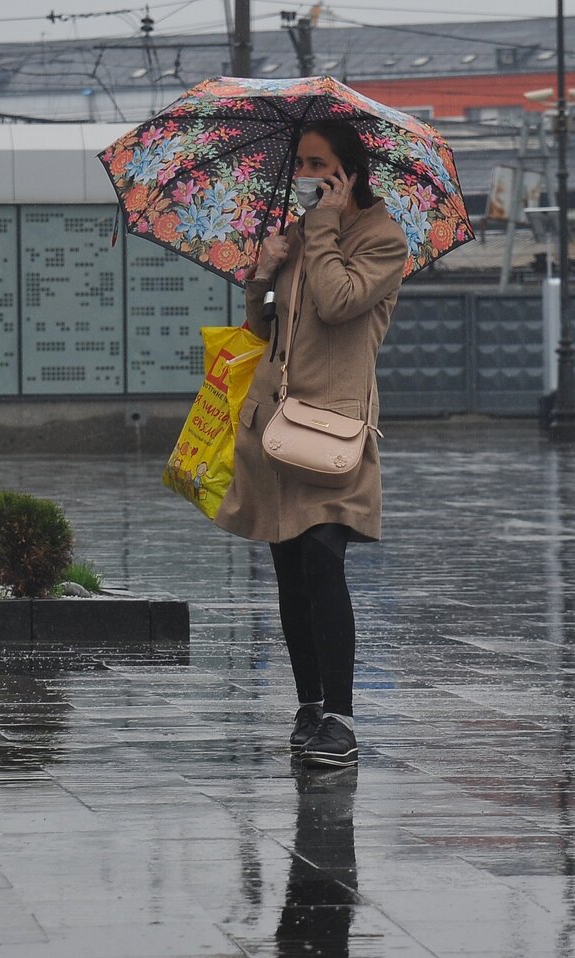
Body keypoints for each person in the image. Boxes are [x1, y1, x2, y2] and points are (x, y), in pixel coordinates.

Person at [216, 121, 408, 771]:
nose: (305, 175)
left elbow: (337, 302)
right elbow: (263, 324)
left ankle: (342, 718)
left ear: (349, 172)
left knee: (325, 556)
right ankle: (308, 705)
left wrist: (321, 229)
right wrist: (264, 272)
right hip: (277, 424)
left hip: (335, 430)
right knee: (291, 571)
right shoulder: (297, 238)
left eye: (318, 163)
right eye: (299, 163)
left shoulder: (383, 241)